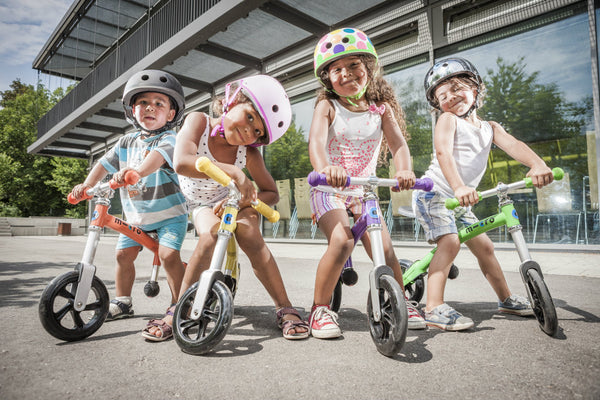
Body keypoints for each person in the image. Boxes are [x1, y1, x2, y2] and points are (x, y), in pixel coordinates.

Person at [414, 57, 554, 331]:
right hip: (435, 194)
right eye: (443, 96)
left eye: (457, 89)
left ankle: (505, 299)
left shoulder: (490, 128)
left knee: (486, 247)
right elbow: (443, 152)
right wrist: (459, 187)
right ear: (438, 105)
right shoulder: (447, 120)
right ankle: (433, 307)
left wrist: (538, 163)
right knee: (451, 243)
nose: (451, 98)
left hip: (459, 200)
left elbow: (514, 145)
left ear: (475, 89)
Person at [308, 27, 425, 339]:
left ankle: (401, 301)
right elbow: (316, 144)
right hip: (328, 188)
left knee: (384, 248)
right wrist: (325, 168)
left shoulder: (380, 110)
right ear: (327, 78)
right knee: (343, 240)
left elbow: (399, 146)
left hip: (363, 190)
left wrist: (404, 171)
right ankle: (319, 309)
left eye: (354, 66)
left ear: (369, 69)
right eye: (336, 70)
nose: (346, 74)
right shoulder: (328, 106)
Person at [173, 74, 309, 340]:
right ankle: (179, 306)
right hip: (201, 202)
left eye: (257, 131)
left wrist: (249, 199)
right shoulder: (198, 122)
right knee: (210, 235)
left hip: (235, 200)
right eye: (249, 117)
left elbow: (271, 193)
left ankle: (284, 306)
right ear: (232, 100)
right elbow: (182, 162)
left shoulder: (249, 153)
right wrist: (235, 172)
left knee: (250, 234)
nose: (249, 131)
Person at [71, 70, 189, 342]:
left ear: (171, 114)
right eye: (143, 102)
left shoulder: (170, 139)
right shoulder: (124, 143)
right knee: (123, 256)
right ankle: (123, 301)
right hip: (136, 217)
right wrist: (85, 187)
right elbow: (103, 164)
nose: (150, 107)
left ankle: (178, 304)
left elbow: (156, 160)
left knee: (169, 256)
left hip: (170, 215)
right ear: (132, 110)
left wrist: (134, 171)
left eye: (159, 103)